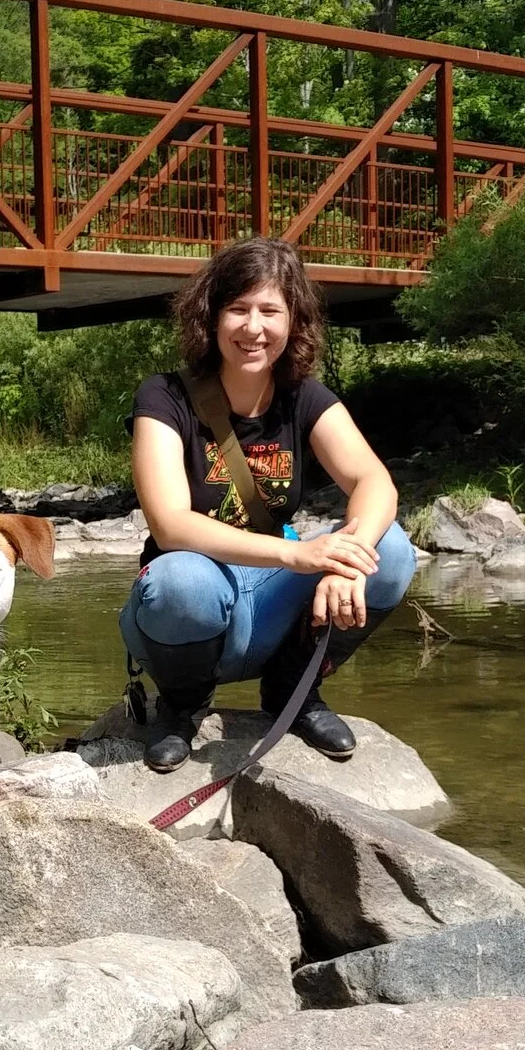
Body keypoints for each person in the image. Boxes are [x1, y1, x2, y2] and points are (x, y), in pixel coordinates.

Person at [122, 236, 413, 773]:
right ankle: (182, 708)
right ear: (211, 317)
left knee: (389, 550)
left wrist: (347, 560)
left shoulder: (304, 396)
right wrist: (300, 556)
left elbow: (374, 481)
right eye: (237, 309)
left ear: (293, 320)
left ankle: (294, 694)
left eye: (269, 311)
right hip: (184, 611)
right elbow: (169, 525)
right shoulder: (164, 397)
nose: (253, 328)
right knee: (183, 579)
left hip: (270, 605)